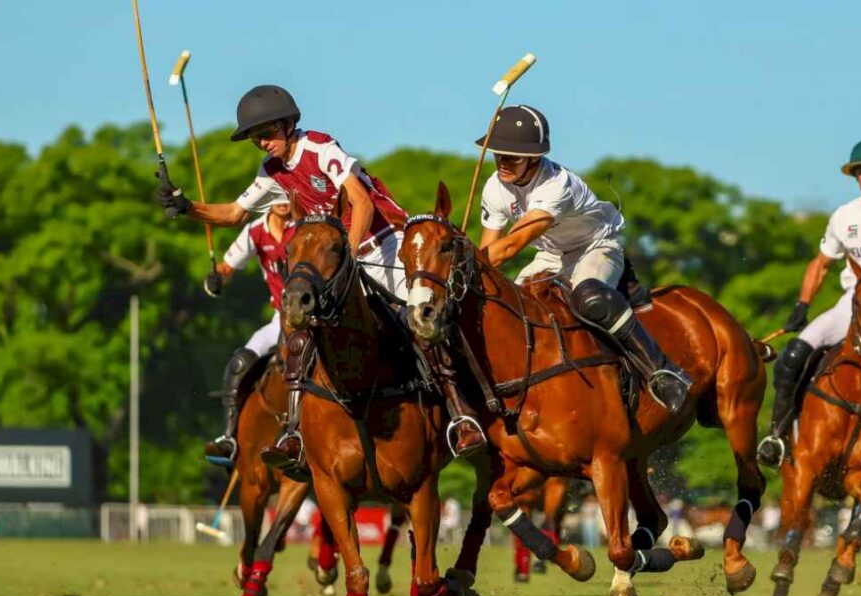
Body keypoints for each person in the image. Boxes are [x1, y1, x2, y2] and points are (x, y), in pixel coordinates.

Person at [155, 84, 465, 468]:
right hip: (338, 264)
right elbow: (234, 214)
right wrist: (186, 206)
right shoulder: (270, 172)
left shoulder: (319, 148)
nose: (263, 143)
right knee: (303, 337)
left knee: (424, 321)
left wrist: (348, 254)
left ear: (288, 124)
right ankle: (296, 435)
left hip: (383, 246)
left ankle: (462, 415)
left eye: (267, 134)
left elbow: (361, 200)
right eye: (256, 139)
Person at [475, 105, 691, 413]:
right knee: (510, 308)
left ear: (534, 158)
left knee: (589, 297)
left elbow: (509, 247)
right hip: (551, 253)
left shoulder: (556, 186)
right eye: (498, 155)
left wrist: (464, 262)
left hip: (596, 245)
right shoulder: (495, 187)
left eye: (512, 157)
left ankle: (662, 371)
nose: (502, 164)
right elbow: (489, 253)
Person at [757, 138, 861, 497]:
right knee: (792, 356)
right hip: (849, 305)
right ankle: (778, 437)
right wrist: (802, 306)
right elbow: (821, 265)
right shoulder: (844, 216)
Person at [201, 198, 295, 465]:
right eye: (275, 194)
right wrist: (216, 277)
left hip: (312, 317)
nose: (282, 201)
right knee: (240, 361)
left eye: (286, 194)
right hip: (281, 317)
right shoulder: (255, 231)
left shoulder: (303, 226)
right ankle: (229, 437)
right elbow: (228, 267)